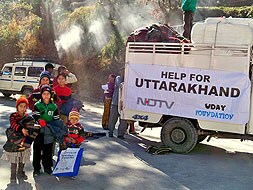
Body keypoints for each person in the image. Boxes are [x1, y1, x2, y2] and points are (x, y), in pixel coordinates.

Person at [32, 85, 66, 176]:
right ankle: (36, 168)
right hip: (39, 131)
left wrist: (56, 128)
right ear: (41, 95)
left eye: (48, 94)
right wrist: (39, 120)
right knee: (37, 150)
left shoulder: (54, 107)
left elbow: (56, 119)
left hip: (49, 132)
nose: (46, 96)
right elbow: (35, 116)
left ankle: (47, 167)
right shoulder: (37, 105)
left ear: (51, 95)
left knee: (48, 150)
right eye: (44, 94)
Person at [1, 97, 31, 183]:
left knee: (23, 157)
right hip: (14, 141)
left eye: (24, 106)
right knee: (14, 159)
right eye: (21, 106)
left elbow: (29, 125)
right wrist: (21, 129)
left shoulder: (27, 116)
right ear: (17, 106)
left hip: (24, 140)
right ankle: (13, 176)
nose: (22, 108)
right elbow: (13, 124)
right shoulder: (13, 116)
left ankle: (20, 172)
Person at [108, 68, 128, 139]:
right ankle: (110, 132)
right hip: (116, 102)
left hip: (124, 104)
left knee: (123, 120)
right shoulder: (118, 78)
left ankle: (120, 134)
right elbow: (120, 85)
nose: (124, 72)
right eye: (123, 71)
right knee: (113, 118)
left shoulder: (129, 78)